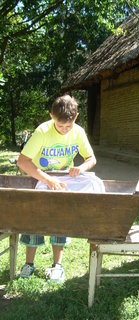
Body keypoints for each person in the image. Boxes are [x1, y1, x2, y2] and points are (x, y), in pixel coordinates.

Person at [17, 94, 97, 282]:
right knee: (36, 216)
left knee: (61, 216)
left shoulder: (78, 132)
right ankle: (29, 264)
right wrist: (48, 180)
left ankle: (57, 266)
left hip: (62, 179)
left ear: (75, 118)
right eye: (60, 126)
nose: (64, 130)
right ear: (51, 117)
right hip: (38, 176)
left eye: (68, 126)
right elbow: (22, 162)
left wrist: (81, 168)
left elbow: (91, 159)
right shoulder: (42, 131)